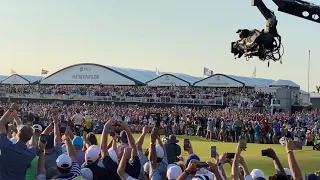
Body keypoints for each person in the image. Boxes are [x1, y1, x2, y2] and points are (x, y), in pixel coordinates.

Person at [0, 103, 37, 180]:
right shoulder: (30, 153)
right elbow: (34, 145)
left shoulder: (6, 145)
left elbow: (1, 123)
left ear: (18, 134)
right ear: (30, 137)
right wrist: (32, 132)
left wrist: (10, 109)